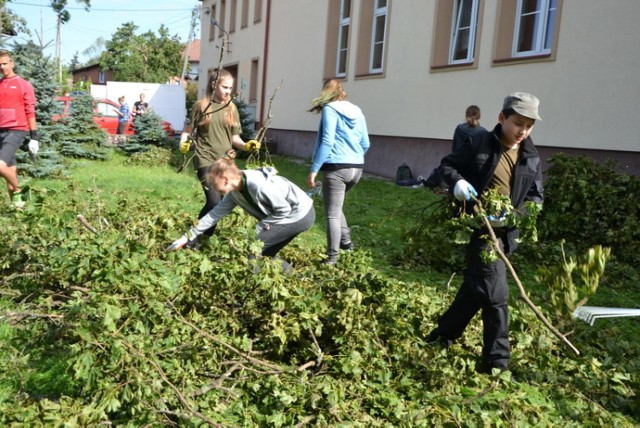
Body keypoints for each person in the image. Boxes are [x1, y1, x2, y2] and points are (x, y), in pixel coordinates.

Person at [426, 92, 544, 374]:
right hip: (479, 230)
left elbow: (535, 197)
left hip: (507, 234)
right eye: (518, 123)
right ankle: (497, 361)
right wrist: (457, 184)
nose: (523, 131)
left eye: (529, 125)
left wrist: (517, 215)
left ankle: (443, 335)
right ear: (502, 118)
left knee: (476, 290)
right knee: (496, 296)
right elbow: (447, 165)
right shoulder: (478, 143)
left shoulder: (531, 156)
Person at [166, 150, 315, 271]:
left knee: (254, 250)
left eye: (215, 186)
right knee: (266, 254)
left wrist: (261, 226)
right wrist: (187, 236)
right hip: (291, 215)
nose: (215, 190)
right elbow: (214, 215)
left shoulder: (258, 185)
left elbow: (283, 209)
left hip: (300, 214)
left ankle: (252, 290)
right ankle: (296, 279)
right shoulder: (234, 193)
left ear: (224, 179)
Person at [178, 69, 257, 243]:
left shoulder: (231, 108)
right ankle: (192, 240)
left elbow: (235, 138)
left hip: (225, 162)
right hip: (205, 159)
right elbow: (188, 131)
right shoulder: (202, 106)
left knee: (221, 205)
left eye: (230, 88)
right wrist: (183, 143)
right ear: (214, 85)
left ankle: (204, 238)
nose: (228, 91)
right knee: (214, 202)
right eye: (225, 87)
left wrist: (247, 146)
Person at [306, 78, 370, 265]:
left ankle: (332, 258)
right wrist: (354, 157)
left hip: (337, 168)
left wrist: (314, 169)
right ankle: (347, 243)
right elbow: (366, 143)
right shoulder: (357, 110)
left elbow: (327, 141)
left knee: (332, 213)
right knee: (335, 206)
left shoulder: (330, 109)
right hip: (357, 168)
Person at [0, 50, 39, 208]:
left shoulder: (24, 84)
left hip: (16, 129)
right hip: (0, 130)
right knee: (10, 171)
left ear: (12, 63)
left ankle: (19, 189)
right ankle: (18, 210)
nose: (2, 67)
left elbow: (30, 110)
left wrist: (34, 137)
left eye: (5, 63)